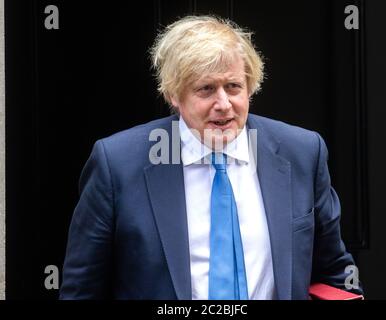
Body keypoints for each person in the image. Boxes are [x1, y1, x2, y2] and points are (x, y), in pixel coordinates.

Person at [60, 15, 363, 300]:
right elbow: (82, 288)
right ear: (173, 95)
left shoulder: (302, 152)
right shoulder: (117, 163)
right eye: (206, 89)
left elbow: (334, 273)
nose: (223, 104)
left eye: (233, 87)